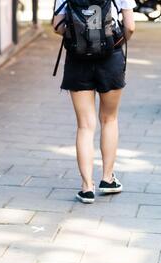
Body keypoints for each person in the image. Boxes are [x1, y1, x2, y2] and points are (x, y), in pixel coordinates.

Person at [53, 0, 136, 204]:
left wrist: (81, 37)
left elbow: (57, 26)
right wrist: (111, 42)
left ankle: (87, 187)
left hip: (77, 60)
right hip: (111, 58)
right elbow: (131, 26)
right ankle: (107, 179)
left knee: (85, 126)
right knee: (109, 119)